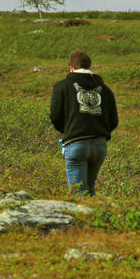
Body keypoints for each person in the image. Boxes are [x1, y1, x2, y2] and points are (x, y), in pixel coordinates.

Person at [49, 50, 118, 196]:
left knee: (78, 195)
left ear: (71, 67)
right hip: (99, 145)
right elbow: (114, 121)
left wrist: (68, 130)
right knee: (90, 190)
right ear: (89, 66)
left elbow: (55, 116)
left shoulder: (61, 86)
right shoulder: (106, 90)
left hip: (75, 142)